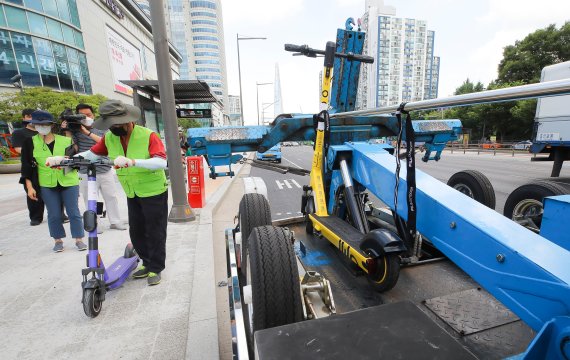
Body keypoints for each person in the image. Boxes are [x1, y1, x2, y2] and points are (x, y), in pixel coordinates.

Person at [78, 100, 168, 286]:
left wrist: (133, 162)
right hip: (132, 191)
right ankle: (146, 262)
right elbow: (92, 155)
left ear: (128, 121)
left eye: (117, 124)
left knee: (155, 231)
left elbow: (161, 162)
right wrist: (66, 159)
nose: (114, 128)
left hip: (153, 191)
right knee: (136, 231)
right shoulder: (109, 138)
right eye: (111, 125)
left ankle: (156, 268)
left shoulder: (148, 135)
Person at [20, 110, 86, 252]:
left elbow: (76, 163)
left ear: (51, 125)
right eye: (39, 124)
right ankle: (58, 240)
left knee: (73, 212)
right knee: (54, 214)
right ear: (34, 125)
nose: (42, 127)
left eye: (45, 124)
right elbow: (26, 167)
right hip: (47, 184)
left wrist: (66, 161)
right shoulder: (29, 143)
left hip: (68, 181)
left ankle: (79, 239)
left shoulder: (66, 140)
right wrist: (29, 187)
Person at [60, 104, 126, 233]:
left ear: (93, 115)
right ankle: (95, 223)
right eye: (82, 116)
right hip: (86, 171)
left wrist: (87, 132)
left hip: (104, 168)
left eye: (88, 115)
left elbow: (106, 143)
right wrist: (67, 131)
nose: (86, 118)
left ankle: (115, 221)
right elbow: (72, 149)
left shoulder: (101, 127)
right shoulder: (75, 130)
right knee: (90, 199)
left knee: (111, 196)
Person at [12, 109, 45, 226]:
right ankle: (36, 217)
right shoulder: (19, 133)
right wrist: (36, 153)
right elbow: (17, 149)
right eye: (28, 116)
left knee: (53, 190)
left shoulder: (43, 131)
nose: (31, 119)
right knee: (32, 190)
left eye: (34, 116)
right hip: (30, 165)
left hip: (46, 165)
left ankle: (60, 214)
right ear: (23, 118)